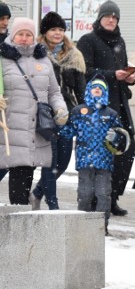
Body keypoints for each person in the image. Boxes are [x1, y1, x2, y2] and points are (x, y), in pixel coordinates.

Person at [76, 1, 135, 216]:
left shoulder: (120, 41)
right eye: (107, 16)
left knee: (126, 151)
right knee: (101, 154)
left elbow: (123, 68)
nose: (111, 20)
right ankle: (94, 199)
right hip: (98, 109)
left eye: (115, 17)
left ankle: (112, 196)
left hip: (119, 106)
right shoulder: (88, 41)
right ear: (99, 18)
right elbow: (85, 72)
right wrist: (113, 75)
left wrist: (130, 77)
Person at [0, 18, 67, 205]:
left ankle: (19, 221)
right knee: (19, 176)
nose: (24, 38)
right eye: (20, 34)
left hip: (35, 129)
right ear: (13, 36)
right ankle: (17, 220)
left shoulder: (43, 60)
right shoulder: (2, 59)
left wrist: (60, 108)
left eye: (28, 35)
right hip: (10, 129)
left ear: (34, 37)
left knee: (25, 176)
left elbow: (54, 91)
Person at [30, 12, 86, 210]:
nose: (58, 33)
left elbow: (80, 90)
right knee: (50, 161)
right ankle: (53, 206)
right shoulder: (35, 53)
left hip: (67, 115)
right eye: (54, 29)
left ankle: (37, 193)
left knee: (62, 162)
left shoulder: (74, 56)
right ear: (45, 32)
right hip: (44, 114)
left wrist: (82, 112)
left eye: (61, 30)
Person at [59, 76, 127, 235]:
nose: (97, 90)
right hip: (85, 159)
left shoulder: (110, 114)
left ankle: (101, 226)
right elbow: (68, 132)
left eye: (100, 88)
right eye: (94, 87)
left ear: (105, 92)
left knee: (103, 194)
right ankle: (82, 224)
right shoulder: (79, 111)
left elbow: (120, 134)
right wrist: (60, 124)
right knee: (85, 193)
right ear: (88, 90)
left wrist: (115, 137)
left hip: (104, 161)